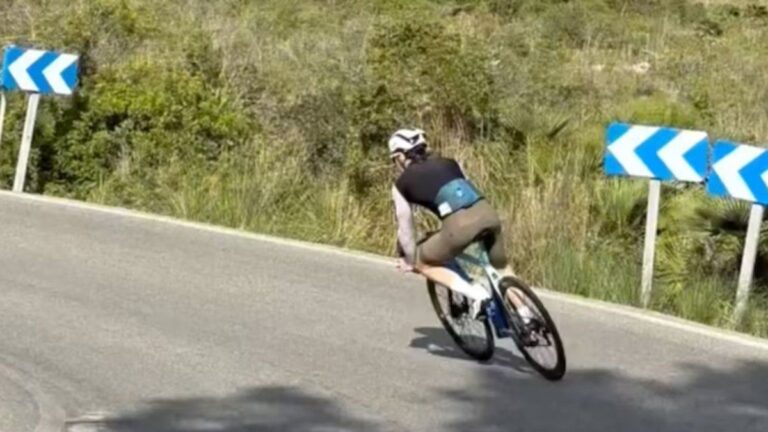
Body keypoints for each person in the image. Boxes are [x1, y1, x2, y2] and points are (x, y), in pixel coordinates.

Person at [389, 128, 534, 322]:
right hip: (488, 215)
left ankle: (478, 296)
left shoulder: (401, 184)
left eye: (393, 159)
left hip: (458, 228)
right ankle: (528, 317)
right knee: (502, 267)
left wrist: (409, 259)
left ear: (399, 156)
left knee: (422, 262)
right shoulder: (450, 163)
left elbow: (405, 229)